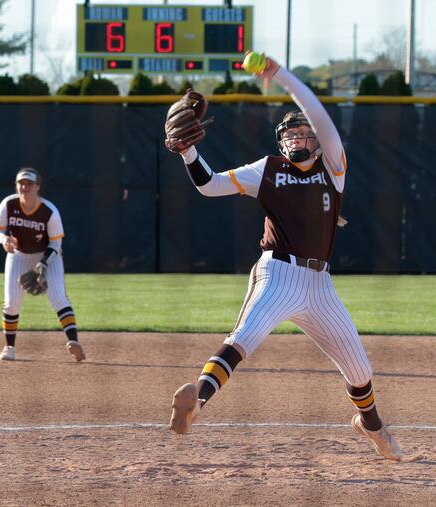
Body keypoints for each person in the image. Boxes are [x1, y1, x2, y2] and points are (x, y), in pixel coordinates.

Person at [166, 55, 407, 461]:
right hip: (277, 273)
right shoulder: (268, 169)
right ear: (281, 143)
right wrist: (188, 152)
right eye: (290, 135)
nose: (297, 139)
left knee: (360, 371)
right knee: (243, 339)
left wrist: (277, 74)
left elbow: (314, 108)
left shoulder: (333, 166)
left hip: (320, 286)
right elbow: (209, 186)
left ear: (316, 139)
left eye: (303, 133)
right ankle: (196, 403)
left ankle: (371, 426)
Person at [0, 167, 85, 362]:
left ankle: (74, 343)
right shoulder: (9, 204)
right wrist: (4, 240)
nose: (24, 187)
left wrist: (43, 263)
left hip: (49, 256)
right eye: (21, 183)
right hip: (19, 255)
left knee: (58, 297)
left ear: (38, 187)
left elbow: (56, 243)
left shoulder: (49, 211)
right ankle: (9, 347)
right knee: (11, 303)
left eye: (29, 183)